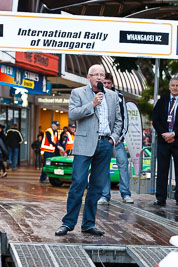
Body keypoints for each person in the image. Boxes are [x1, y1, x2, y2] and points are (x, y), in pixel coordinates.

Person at [55, 64, 122, 237]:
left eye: (102, 75)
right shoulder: (78, 93)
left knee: (97, 187)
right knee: (78, 183)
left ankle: (89, 224)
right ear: (89, 77)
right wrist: (92, 104)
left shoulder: (113, 96)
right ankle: (68, 223)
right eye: (96, 75)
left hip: (105, 144)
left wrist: (112, 139)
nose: (100, 78)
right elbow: (73, 114)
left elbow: (118, 121)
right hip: (84, 144)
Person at [98, 73, 134, 205]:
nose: (106, 85)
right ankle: (105, 195)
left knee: (123, 165)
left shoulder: (118, 96)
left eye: (108, 83)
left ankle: (125, 193)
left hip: (117, 139)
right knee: (104, 167)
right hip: (105, 138)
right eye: (105, 83)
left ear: (112, 83)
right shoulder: (98, 94)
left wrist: (120, 136)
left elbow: (124, 118)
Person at [153, 77, 178, 206]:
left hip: (177, 140)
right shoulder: (162, 101)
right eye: (173, 85)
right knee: (162, 170)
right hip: (163, 141)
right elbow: (155, 119)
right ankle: (160, 198)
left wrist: (173, 134)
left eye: (177, 86)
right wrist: (164, 134)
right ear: (169, 87)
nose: (175, 88)